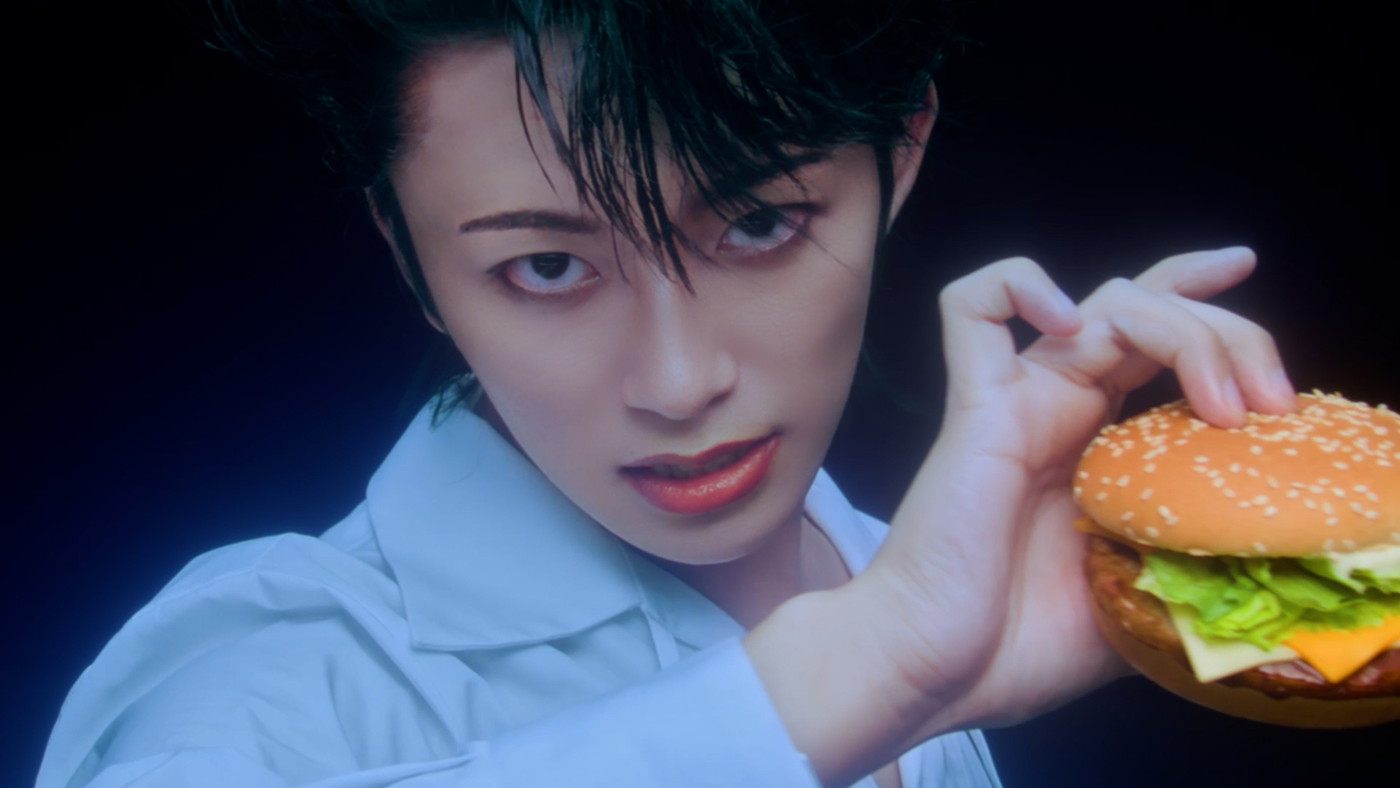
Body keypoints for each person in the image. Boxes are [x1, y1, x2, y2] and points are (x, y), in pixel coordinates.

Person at [36, 1, 1298, 786]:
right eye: (544, 266)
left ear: (900, 149)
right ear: (406, 251)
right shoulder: (277, 668)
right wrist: (871, 666)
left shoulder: (903, 574)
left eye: (756, 222)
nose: (679, 380)